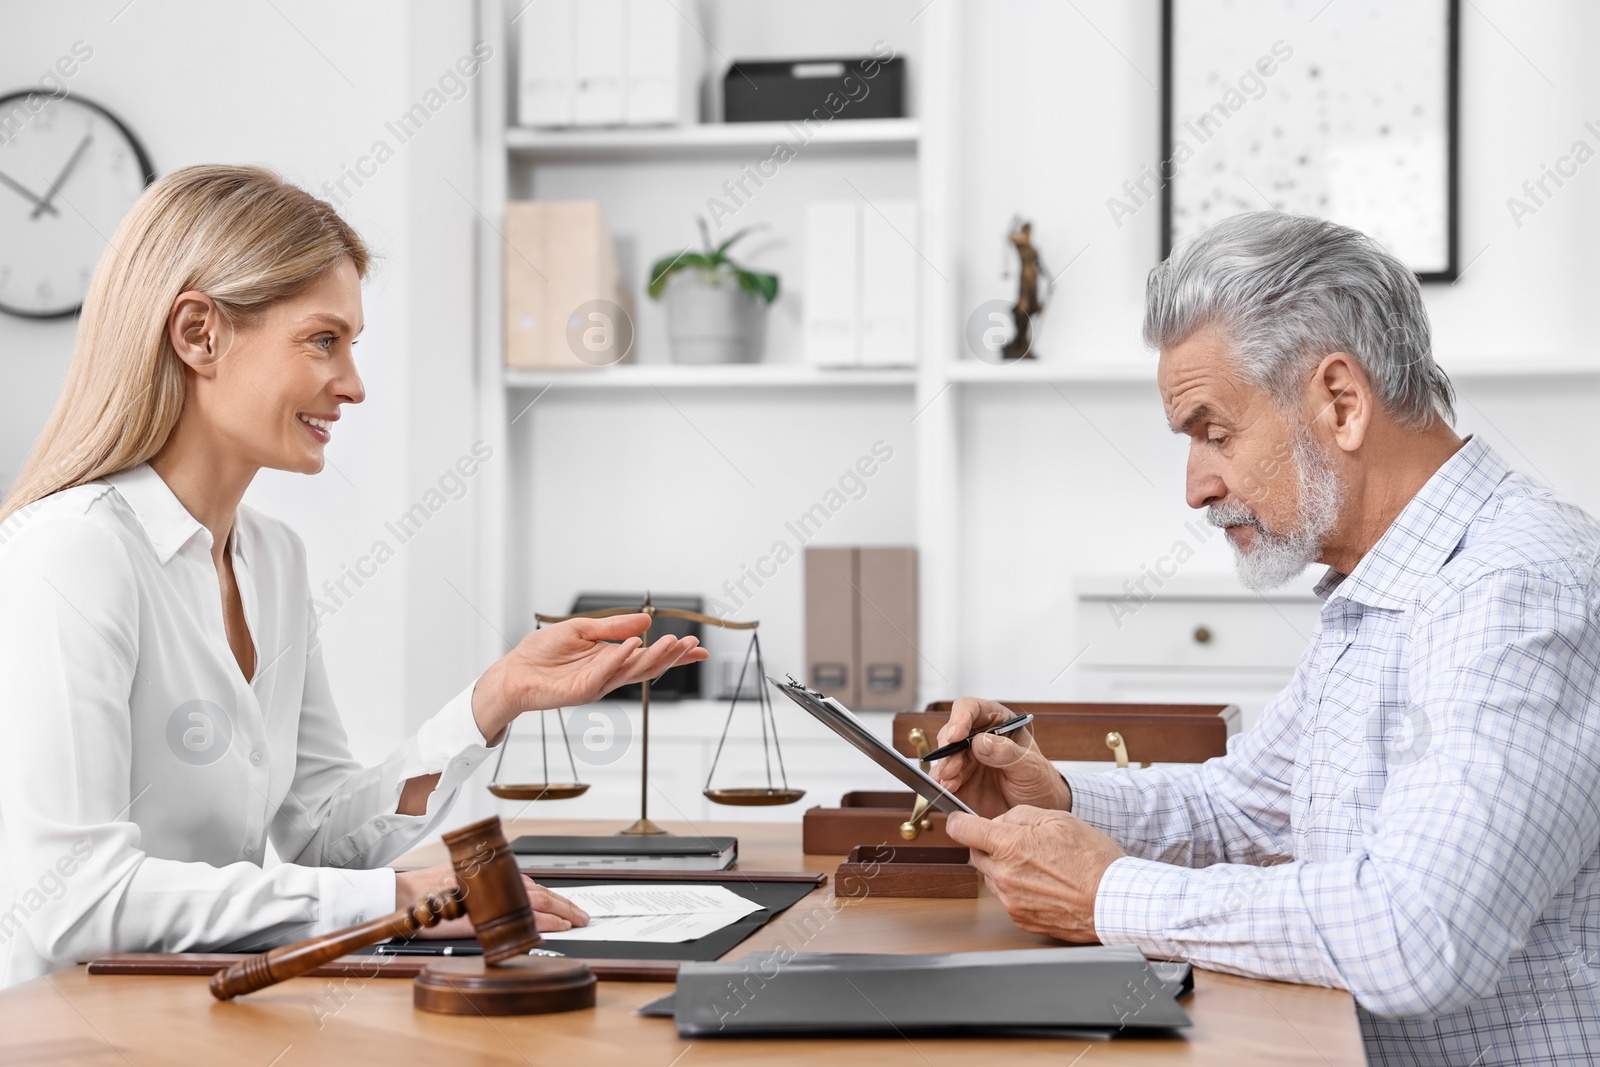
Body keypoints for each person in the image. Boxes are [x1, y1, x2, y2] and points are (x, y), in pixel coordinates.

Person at [0, 165, 706, 990]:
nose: (354, 385)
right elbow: (71, 900)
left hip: (201, 1010)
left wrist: (496, 697)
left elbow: (319, 837)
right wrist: (394, 897)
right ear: (199, 335)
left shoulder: (272, 557)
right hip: (74, 1030)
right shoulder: (72, 553)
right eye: (322, 340)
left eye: (351, 345)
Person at [936, 212, 1600, 1066]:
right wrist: (1056, 797)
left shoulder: (1518, 589)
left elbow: (1412, 935)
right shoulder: (1387, 583)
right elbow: (1242, 808)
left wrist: (1109, 893)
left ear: (1341, 403)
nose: (1196, 487)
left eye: (1215, 434)